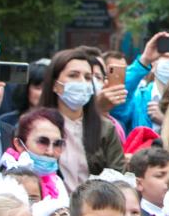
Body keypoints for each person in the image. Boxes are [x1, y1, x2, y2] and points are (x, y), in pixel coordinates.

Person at [39, 48, 125, 191]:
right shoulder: (37, 127)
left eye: (87, 77)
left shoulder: (105, 128)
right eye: (73, 75)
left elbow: (119, 179)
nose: (82, 82)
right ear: (55, 85)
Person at [109, 31, 169, 133]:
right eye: (167, 56)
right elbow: (114, 107)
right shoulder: (137, 99)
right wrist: (144, 61)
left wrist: (166, 122)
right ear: (153, 63)